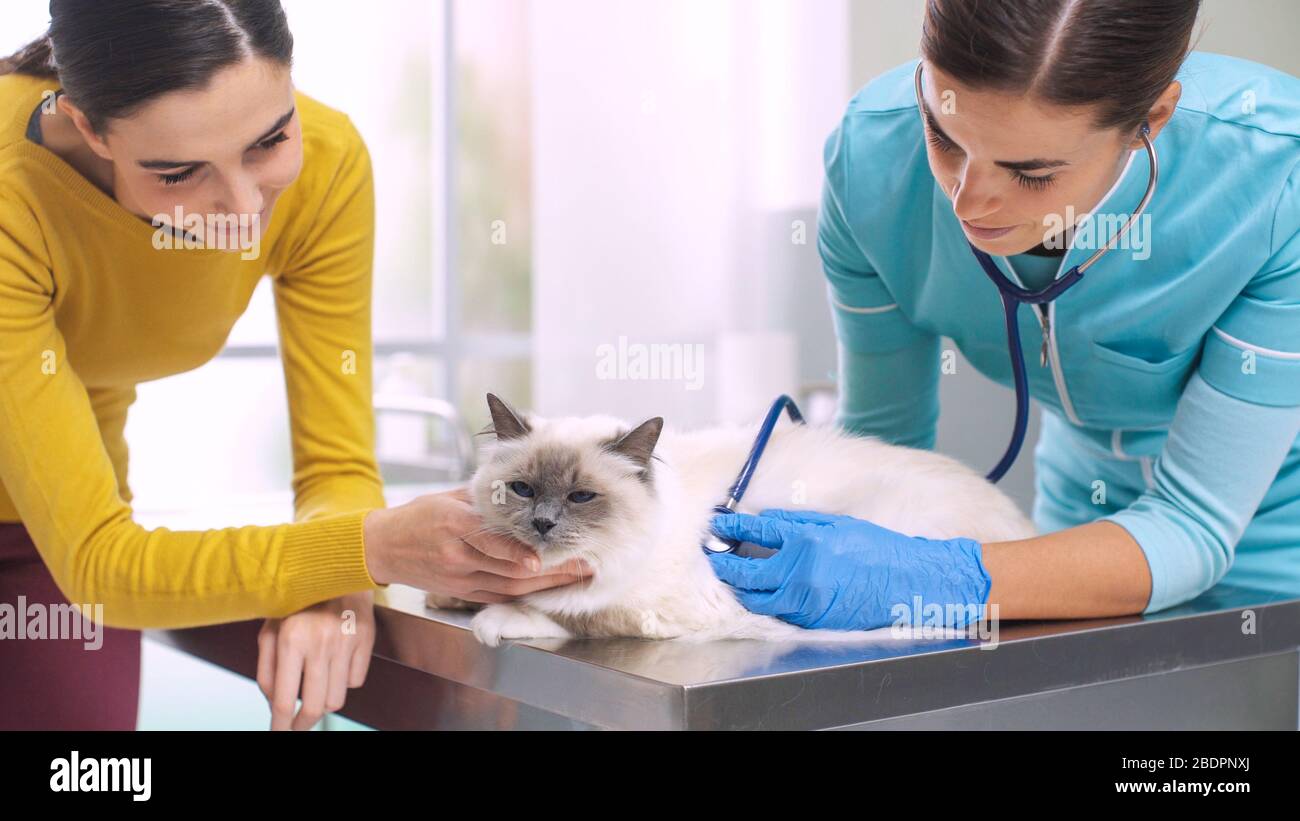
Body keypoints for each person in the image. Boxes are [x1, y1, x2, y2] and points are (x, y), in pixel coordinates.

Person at [0, 0, 588, 731]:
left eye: (269, 140)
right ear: (90, 128)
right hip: (76, 550)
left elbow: (335, 466)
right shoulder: (10, 194)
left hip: (44, 529)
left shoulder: (331, 166)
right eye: (179, 173)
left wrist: (335, 579)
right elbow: (101, 565)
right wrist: (366, 550)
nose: (243, 209)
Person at [709, 0, 1300, 632]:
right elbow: (883, 450)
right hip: (1079, 522)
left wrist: (938, 578)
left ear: (1150, 121)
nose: (967, 199)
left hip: (1278, 542)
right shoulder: (871, 161)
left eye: (1031, 172)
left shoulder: (1275, 179)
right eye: (944, 136)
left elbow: (1192, 525)